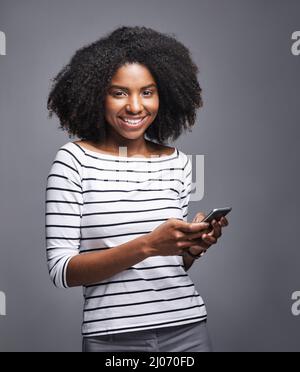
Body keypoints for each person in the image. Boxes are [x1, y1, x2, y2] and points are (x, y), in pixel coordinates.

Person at [45, 26, 229, 352]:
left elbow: (168, 265)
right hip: (112, 339)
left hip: (187, 329)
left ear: (165, 95)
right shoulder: (73, 160)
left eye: (147, 92)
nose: (134, 107)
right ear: (95, 95)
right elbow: (63, 271)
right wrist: (147, 245)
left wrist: (189, 248)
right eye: (119, 92)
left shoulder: (178, 162)